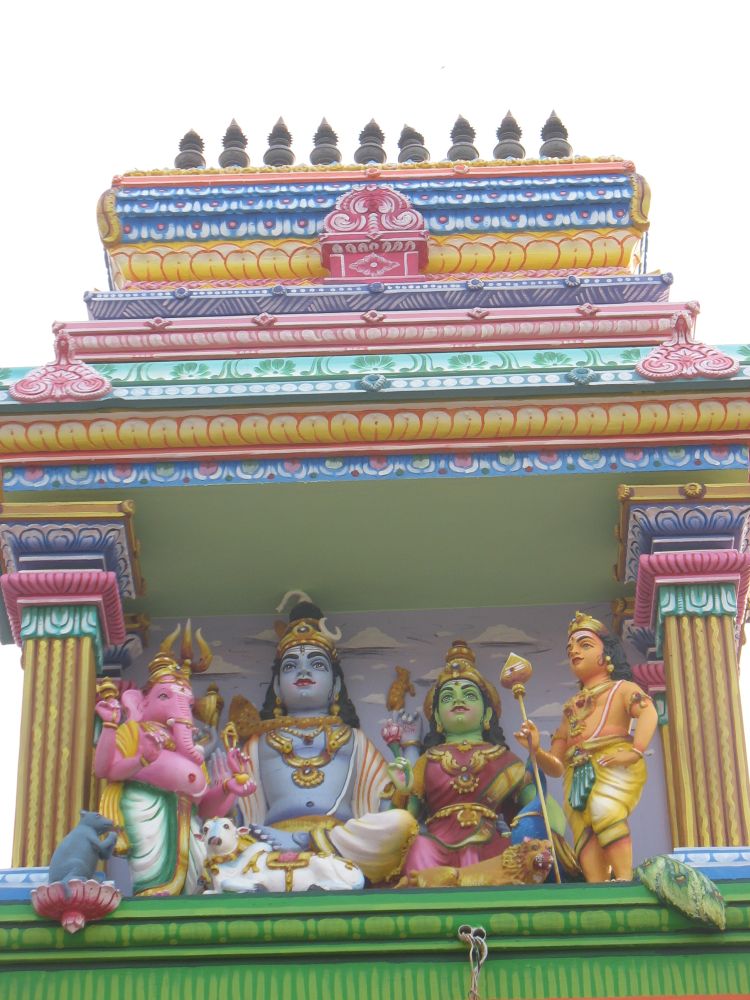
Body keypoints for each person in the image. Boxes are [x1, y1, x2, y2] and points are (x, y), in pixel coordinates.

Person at [237, 597, 417, 886]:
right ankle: (299, 845)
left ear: (335, 685)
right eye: (291, 666)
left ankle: (307, 841)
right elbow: (239, 808)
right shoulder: (260, 742)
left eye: (317, 664)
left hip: (338, 837)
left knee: (400, 824)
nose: (303, 671)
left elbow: (381, 803)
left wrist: (406, 767)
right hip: (270, 837)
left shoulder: (353, 739)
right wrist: (222, 788)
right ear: (277, 687)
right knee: (221, 836)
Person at [515, 611, 658, 881]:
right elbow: (556, 767)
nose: (574, 651)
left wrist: (636, 751)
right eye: (570, 648)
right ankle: (597, 887)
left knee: (605, 810)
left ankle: (624, 879)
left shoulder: (622, 689)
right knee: (583, 832)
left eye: (585, 644)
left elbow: (648, 712)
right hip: (576, 773)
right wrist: (535, 749)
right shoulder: (571, 708)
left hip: (613, 763)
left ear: (607, 654)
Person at [390, 640, 528, 874]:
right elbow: (407, 820)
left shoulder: (505, 759)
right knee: (417, 848)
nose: (458, 700)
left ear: (487, 714)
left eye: (469, 695)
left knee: (518, 853)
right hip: (436, 845)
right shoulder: (427, 761)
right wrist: (403, 790)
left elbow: (533, 808)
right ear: (437, 718)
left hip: (491, 843)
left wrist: (537, 760)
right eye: (447, 697)